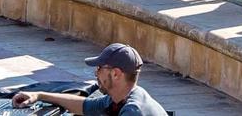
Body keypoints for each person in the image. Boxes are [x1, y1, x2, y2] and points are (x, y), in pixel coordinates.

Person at [9, 42, 167, 116]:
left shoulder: (134, 111)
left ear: (116, 73)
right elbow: (83, 105)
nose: (96, 73)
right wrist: (39, 95)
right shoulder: (124, 97)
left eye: (99, 69)